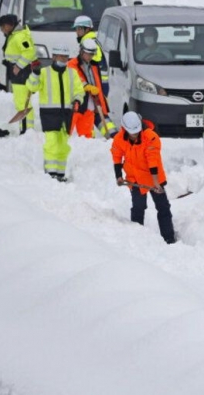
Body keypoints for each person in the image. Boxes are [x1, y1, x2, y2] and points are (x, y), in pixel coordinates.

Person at [111, 111, 176, 244]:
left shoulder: (151, 137)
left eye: (136, 132)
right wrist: (118, 176)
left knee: (163, 206)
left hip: (154, 177)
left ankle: (168, 238)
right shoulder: (119, 139)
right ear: (125, 129)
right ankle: (137, 237)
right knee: (138, 207)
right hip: (134, 178)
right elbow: (117, 156)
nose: (134, 135)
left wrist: (156, 183)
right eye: (132, 133)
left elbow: (153, 160)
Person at [25, 45, 84, 181]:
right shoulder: (44, 72)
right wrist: (35, 73)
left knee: (63, 144)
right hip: (49, 114)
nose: (63, 59)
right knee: (51, 143)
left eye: (65, 57)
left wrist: (77, 100)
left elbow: (79, 90)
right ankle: (51, 173)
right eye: (60, 56)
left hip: (66, 114)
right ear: (53, 57)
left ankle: (60, 173)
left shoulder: (71, 73)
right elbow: (32, 87)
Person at [0, 14, 37, 133]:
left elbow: (30, 52)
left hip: (22, 72)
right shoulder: (13, 35)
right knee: (20, 101)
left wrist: (18, 66)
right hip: (16, 72)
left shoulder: (20, 36)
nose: (2, 30)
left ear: (9, 25)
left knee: (23, 102)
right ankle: (24, 128)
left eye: (2, 27)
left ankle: (27, 129)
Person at [68, 39, 117, 138]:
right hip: (76, 103)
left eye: (92, 54)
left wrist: (100, 97)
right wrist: (86, 86)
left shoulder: (94, 65)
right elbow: (75, 78)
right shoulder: (73, 64)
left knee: (87, 135)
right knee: (68, 132)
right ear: (81, 51)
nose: (90, 56)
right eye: (88, 54)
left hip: (90, 103)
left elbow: (97, 82)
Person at [72, 15, 108, 93]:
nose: (77, 32)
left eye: (80, 29)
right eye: (76, 29)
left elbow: (93, 64)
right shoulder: (90, 41)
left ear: (87, 29)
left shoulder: (89, 43)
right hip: (96, 82)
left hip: (97, 83)